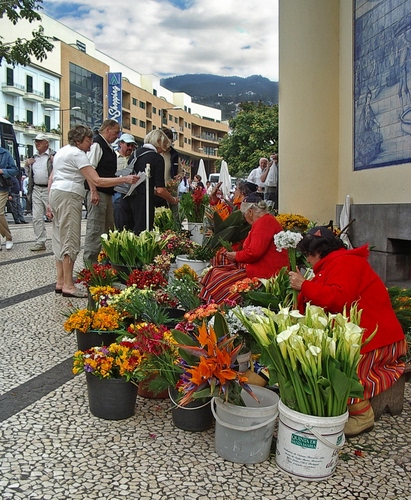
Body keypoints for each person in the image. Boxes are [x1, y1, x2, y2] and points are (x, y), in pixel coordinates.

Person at [288, 226, 407, 438]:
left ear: (319, 251)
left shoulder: (345, 262)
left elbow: (338, 298)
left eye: (308, 254)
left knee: (342, 365)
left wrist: (304, 285)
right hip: (362, 333)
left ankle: (362, 416)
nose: (307, 259)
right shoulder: (334, 263)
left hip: (376, 339)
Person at [47, 125, 139, 298]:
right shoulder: (77, 154)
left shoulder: (62, 151)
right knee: (70, 240)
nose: (91, 143)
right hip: (69, 195)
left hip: (57, 194)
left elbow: (52, 177)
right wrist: (125, 179)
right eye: (88, 140)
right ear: (78, 140)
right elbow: (96, 180)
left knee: (59, 238)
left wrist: (48, 202)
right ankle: (68, 285)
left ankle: (60, 281)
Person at [200, 193, 289, 304]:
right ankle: (210, 304)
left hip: (265, 273)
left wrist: (236, 256)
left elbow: (254, 253)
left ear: (250, 212)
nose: (245, 218)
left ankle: (216, 306)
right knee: (216, 271)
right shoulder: (265, 221)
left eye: (244, 214)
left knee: (220, 280)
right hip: (260, 268)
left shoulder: (264, 222)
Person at [117, 129, 179, 234]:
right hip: (143, 200)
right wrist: (172, 200)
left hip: (127, 197)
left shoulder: (135, 154)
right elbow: (160, 190)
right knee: (143, 233)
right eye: (164, 145)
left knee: (128, 233)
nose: (164, 150)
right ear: (159, 142)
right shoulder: (157, 158)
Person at [83, 119, 121, 264]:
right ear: (107, 129)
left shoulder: (107, 147)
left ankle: (104, 263)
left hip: (107, 193)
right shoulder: (97, 145)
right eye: (116, 132)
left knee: (107, 230)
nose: (117, 136)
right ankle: (90, 265)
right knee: (95, 229)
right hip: (98, 193)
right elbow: (89, 169)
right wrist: (93, 191)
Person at [25, 134, 55, 251]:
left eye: (40, 141)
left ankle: (59, 240)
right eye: (36, 141)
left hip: (50, 189)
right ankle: (40, 242)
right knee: (36, 217)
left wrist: (55, 162)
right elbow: (29, 174)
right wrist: (27, 165)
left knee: (55, 216)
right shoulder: (33, 157)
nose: (37, 144)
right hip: (37, 188)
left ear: (46, 143)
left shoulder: (54, 156)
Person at [113, 133, 136, 229]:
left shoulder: (134, 158)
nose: (130, 148)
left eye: (132, 145)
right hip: (117, 192)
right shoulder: (113, 157)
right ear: (120, 144)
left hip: (131, 192)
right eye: (128, 145)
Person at [0, 147, 19, 250]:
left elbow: (15, 170)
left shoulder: (5, 153)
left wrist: (2, 171)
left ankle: (8, 237)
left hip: (2, 187)